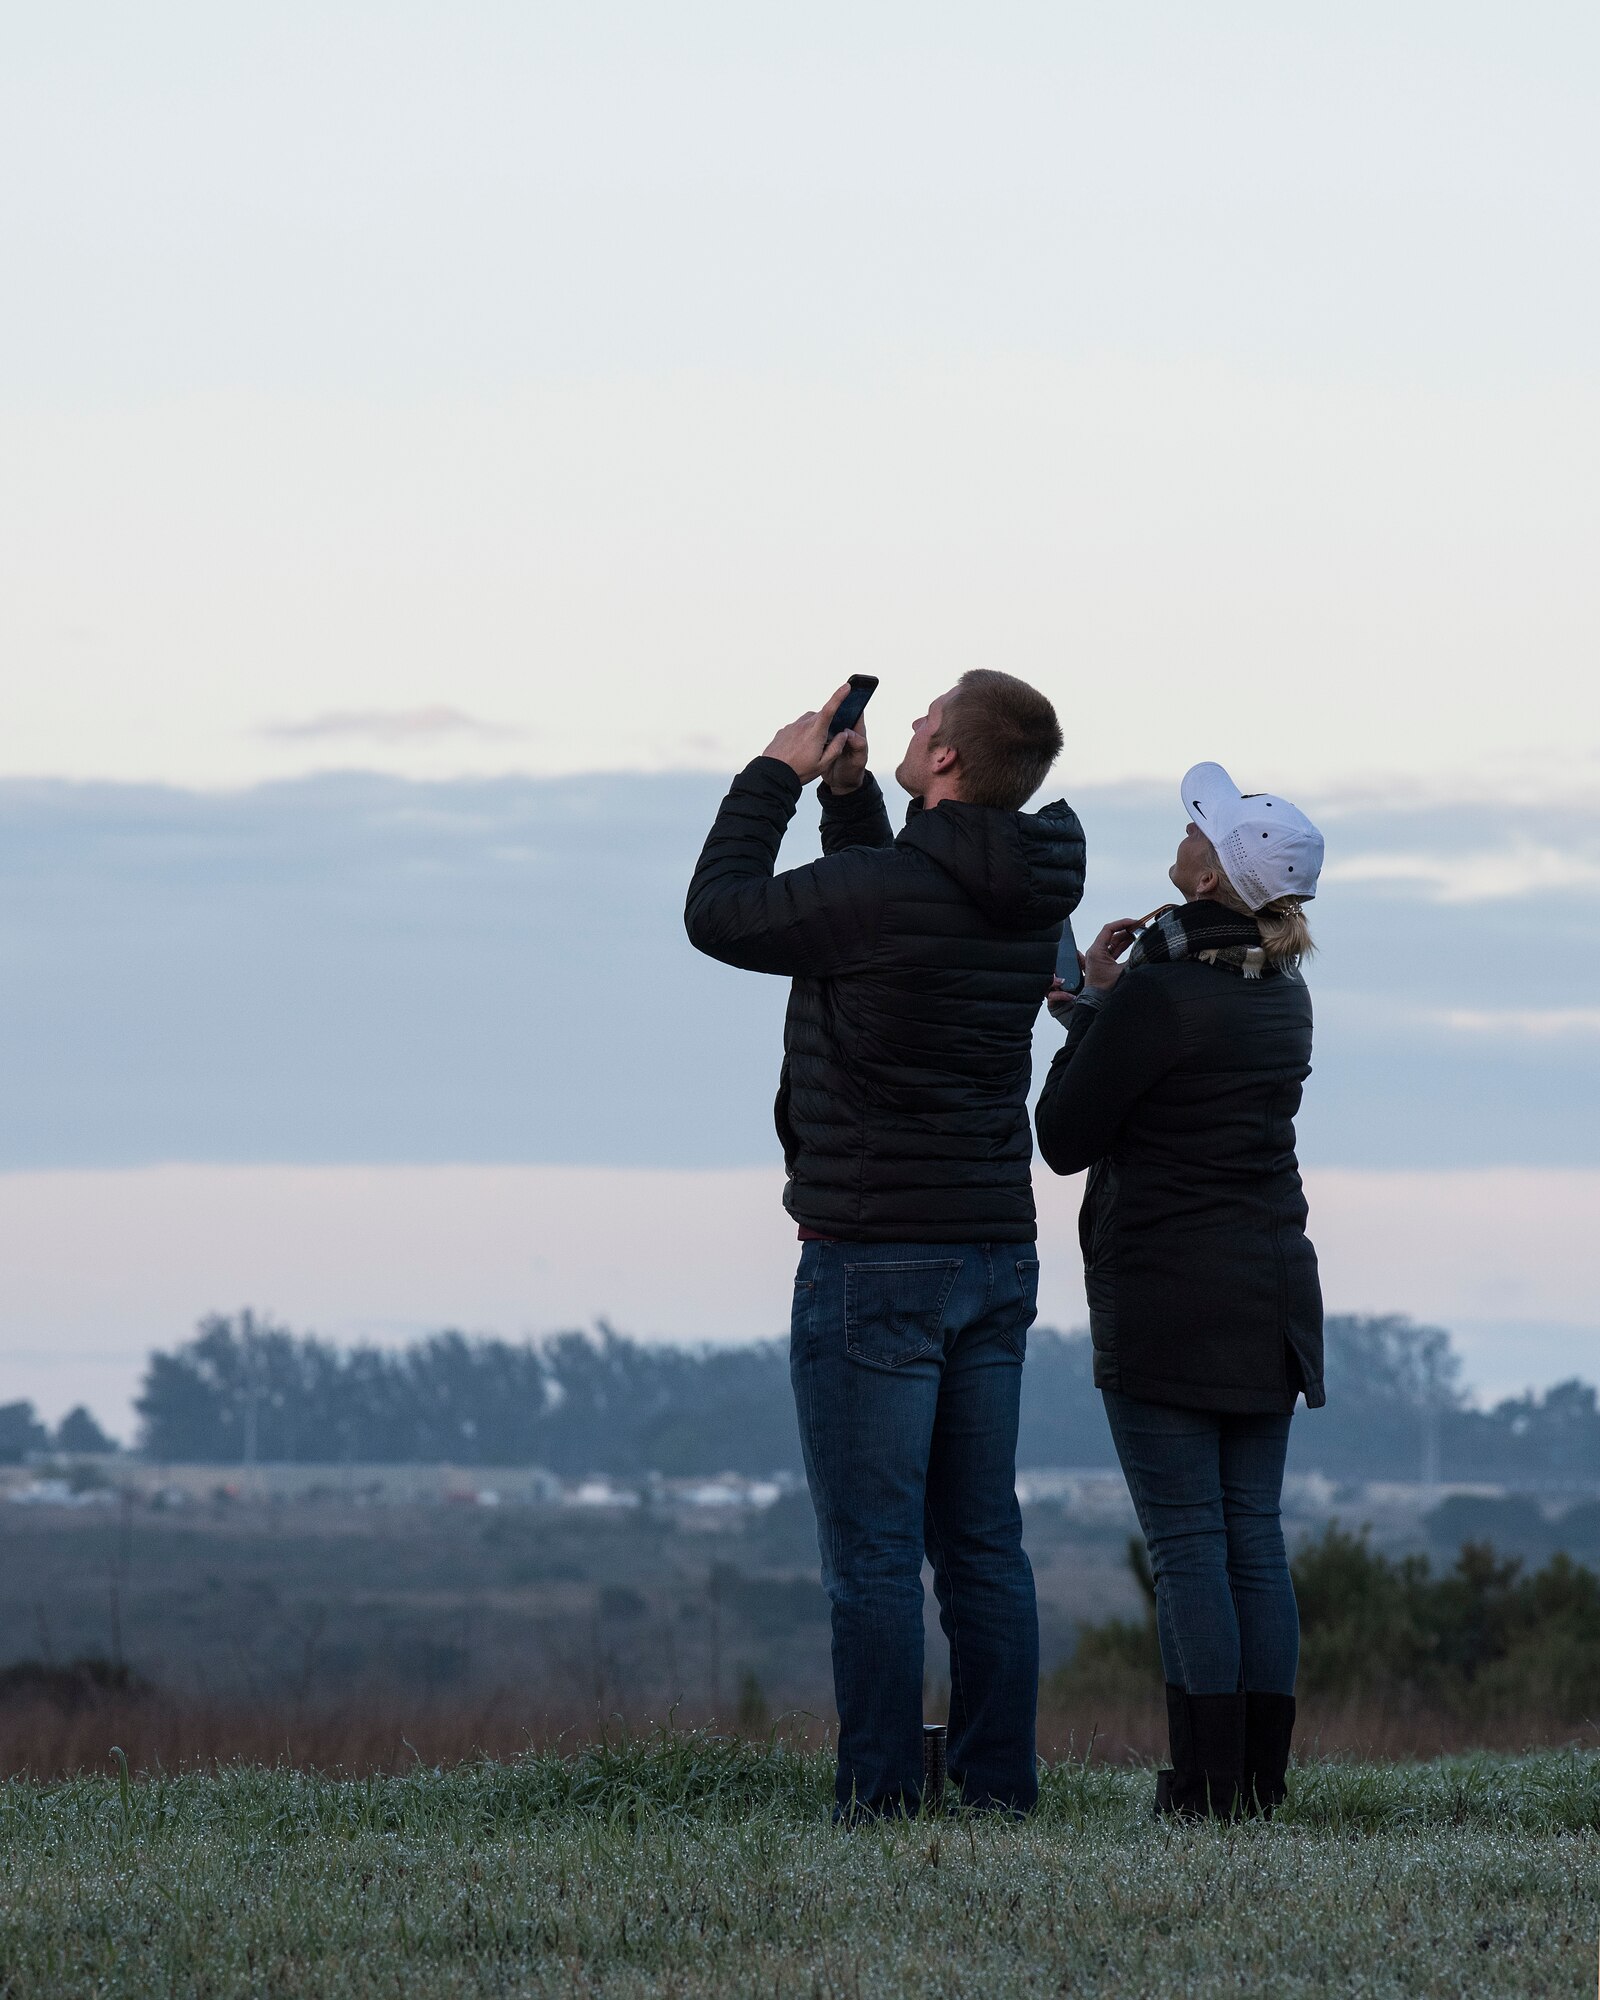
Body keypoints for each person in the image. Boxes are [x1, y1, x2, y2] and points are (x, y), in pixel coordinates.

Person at [684, 672, 1083, 1816]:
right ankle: (999, 1788)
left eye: (926, 719)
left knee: (871, 1556)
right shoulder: (1026, 893)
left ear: (950, 761)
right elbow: (897, 904)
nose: (908, 722)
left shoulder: (887, 893)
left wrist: (775, 773)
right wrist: (851, 803)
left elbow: (720, 913)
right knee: (982, 1546)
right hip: (993, 1252)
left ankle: (879, 1799)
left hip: (872, 1257)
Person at [1034, 762, 1325, 1819]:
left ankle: (1201, 1787)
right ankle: (1256, 1780)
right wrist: (1105, 1013)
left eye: (1198, 829)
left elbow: (1064, 1137)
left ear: (1212, 874)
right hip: (1269, 1296)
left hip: (1166, 1296)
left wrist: (1086, 1011)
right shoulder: (1280, 994)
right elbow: (1174, 1073)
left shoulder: (1157, 991)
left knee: (1189, 1545)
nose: (1187, 832)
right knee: (1252, 1532)